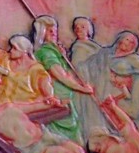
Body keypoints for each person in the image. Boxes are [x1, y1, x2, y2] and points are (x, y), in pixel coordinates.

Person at [33, 15, 94, 143]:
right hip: (58, 101)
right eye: (49, 30)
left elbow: (67, 72)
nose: (53, 33)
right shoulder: (46, 52)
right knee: (67, 140)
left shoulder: (54, 51)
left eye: (54, 30)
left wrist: (63, 55)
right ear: (41, 33)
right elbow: (61, 75)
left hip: (66, 99)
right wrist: (82, 88)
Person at [76, 30, 139, 140]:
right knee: (97, 115)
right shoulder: (105, 53)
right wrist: (81, 69)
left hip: (117, 94)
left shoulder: (133, 59)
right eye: (126, 39)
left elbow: (137, 77)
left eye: (131, 42)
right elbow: (89, 65)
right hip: (99, 89)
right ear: (120, 39)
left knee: (115, 119)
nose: (127, 43)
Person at [0, 34, 54, 104]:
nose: (11, 50)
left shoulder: (36, 69)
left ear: (24, 51)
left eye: (15, 48)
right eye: (11, 47)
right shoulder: (7, 60)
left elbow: (47, 91)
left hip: (22, 105)